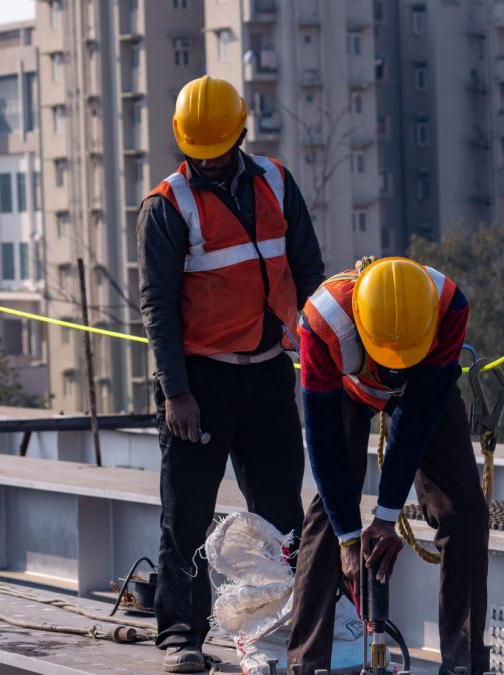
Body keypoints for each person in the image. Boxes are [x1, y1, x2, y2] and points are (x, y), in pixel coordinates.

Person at [138, 75, 324, 673]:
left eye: (218, 150)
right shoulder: (166, 206)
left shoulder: (275, 182)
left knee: (280, 516)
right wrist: (177, 392)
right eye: (199, 153)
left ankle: (289, 631)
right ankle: (180, 636)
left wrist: (320, 354)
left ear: (240, 135)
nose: (210, 162)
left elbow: (308, 271)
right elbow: (158, 306)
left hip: (269, 373)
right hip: (201, 381)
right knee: (186, 513)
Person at [288, 257, 489, 675]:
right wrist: (349, 538)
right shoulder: (321, 323)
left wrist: (385, 519)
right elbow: (323, 442)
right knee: (328, 516)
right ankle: (306, 664)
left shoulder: (448, 306)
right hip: (345, 388)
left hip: (423, 391)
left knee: (465, 512)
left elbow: (415, 422)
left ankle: (462, 661)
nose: (394, 365)